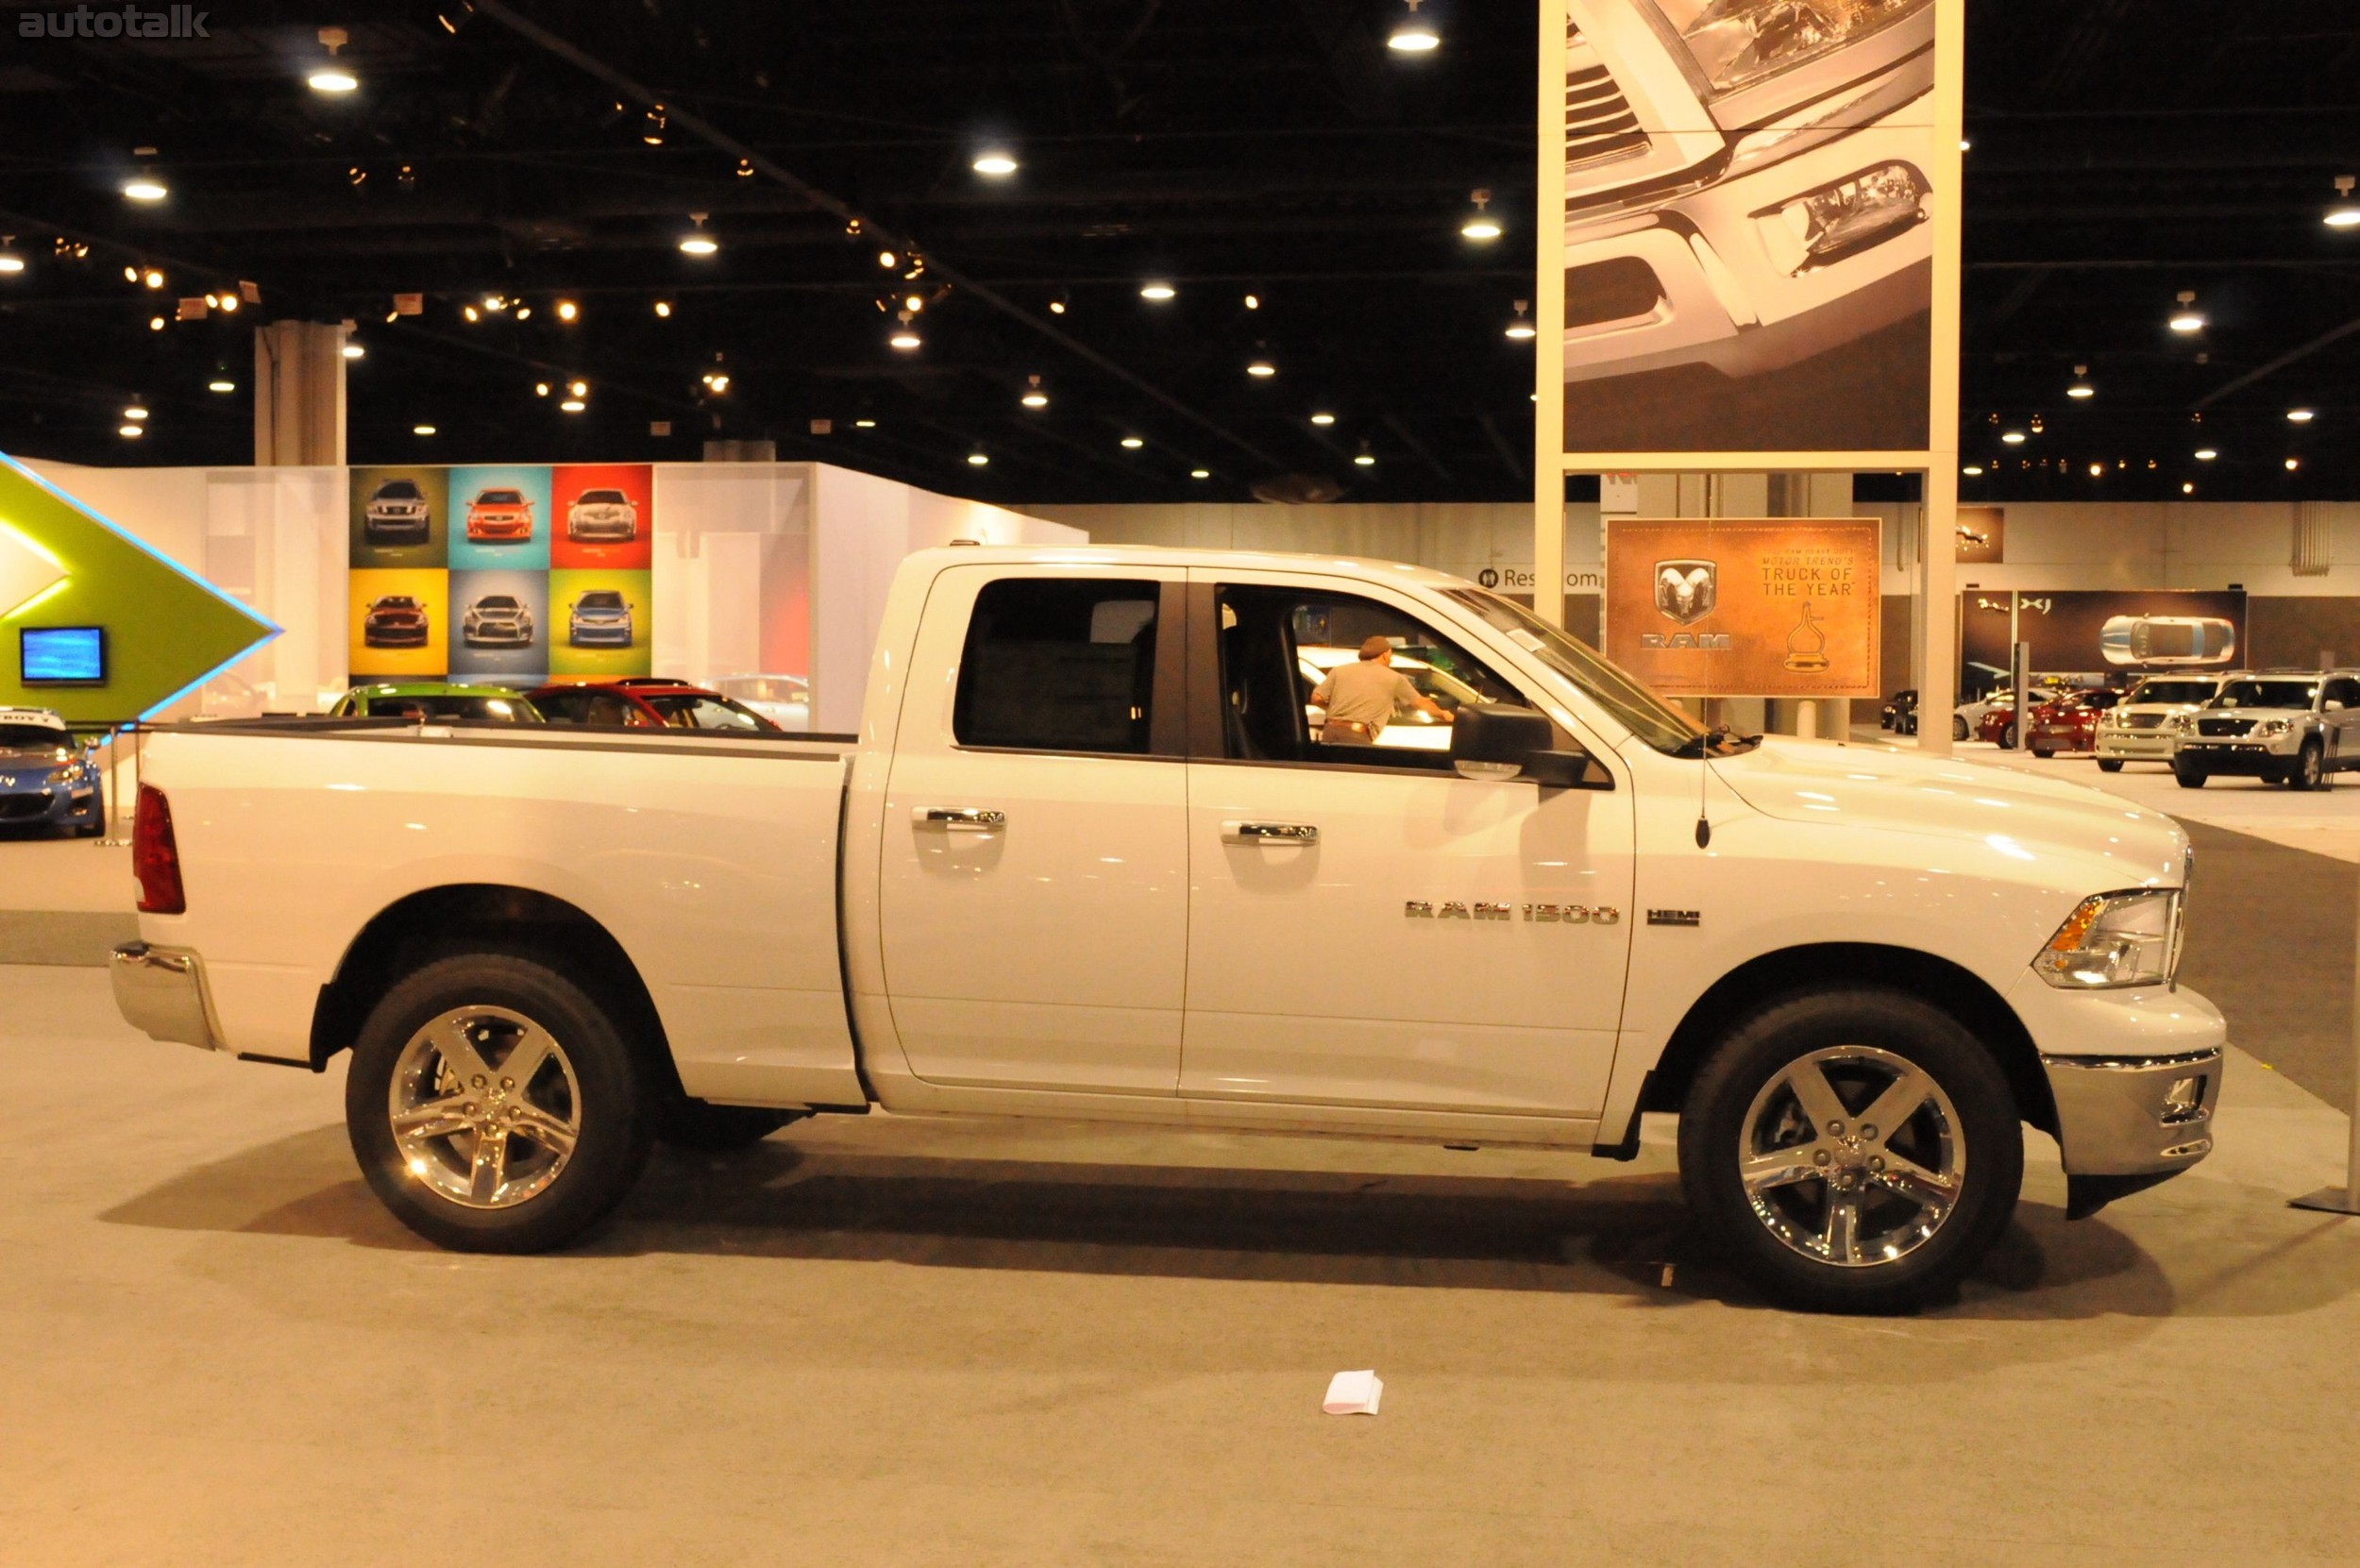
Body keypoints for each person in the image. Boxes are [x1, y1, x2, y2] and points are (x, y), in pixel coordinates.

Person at [1311, 635, 1455, 746]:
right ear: (1386, 654)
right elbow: (1420, 703)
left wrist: (1336, 709)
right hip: (1357, 736)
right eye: (1390, 656)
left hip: (1329, 732)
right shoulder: (1393, 677)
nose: (1391, 660)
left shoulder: (1339, 671)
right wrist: (1443, 714)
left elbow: (1316, 698)